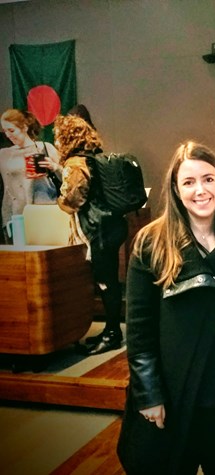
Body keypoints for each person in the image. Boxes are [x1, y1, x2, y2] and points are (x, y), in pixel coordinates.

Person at [116, 140, 215, 474]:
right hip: (176, 390)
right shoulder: (152, 243)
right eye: (189, 182)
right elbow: (139, 331)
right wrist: (149, 394)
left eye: (209, 179)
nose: (201, 190)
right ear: (175, 188)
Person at [53, 115, 128, 355]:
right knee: (110, 281)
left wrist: (60, 200)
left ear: (66, 137)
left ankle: (112, 334)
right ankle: (111, 329)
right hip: (113, 225)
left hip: (98, 230)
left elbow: (72, 199)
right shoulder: (95, 157)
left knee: (105, 283)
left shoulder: (76, 163)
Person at [0, 109, 61, 240]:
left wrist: (54, 167)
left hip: (43, 210)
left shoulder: (44, 148)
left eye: (11, 130)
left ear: (24, 127)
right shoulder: (4, 154)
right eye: (5, 131)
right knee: (19, 256)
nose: (8, 136)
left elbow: (66, 177)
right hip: (15, 214)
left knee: (44, 253)